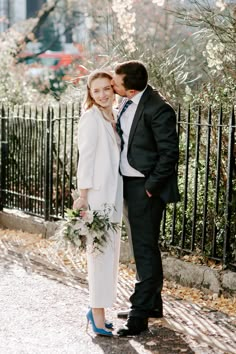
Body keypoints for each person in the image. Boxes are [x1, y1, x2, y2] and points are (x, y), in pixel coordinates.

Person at [111, 60, 180, 336]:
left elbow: (170, 153)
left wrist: (150, 187)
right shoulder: (125, 103)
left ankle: (138, 315)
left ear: (129, 88)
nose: (112, 86)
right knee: (144, 248)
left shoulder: (158, 108)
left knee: (144, 249)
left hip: (145, 189)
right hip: (128, 185)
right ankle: (152, 304)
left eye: (116, 83)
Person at [73, 69, 123, 337]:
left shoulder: (112, 116)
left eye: (106, 89)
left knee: (110, 254)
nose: (103, 94)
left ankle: (98, 309)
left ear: (113, 89)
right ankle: (97, 315)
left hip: (113, 195)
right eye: (96, 91)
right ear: (90, 94)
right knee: (99, 254)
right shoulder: (90, 118)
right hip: (96, 197)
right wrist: (82, 196)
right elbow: (86, 159)